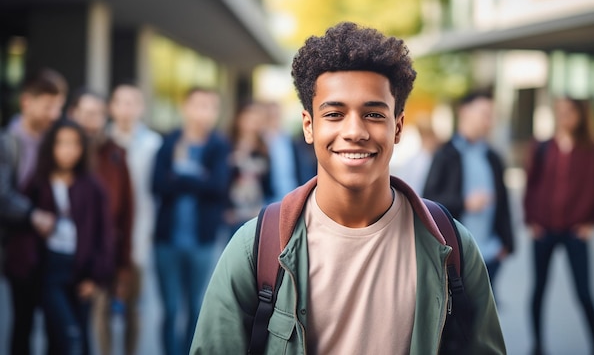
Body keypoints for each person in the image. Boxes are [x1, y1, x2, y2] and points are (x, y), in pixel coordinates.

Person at [191, 22, 505, 354]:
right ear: (309, 126)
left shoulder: (451, 245)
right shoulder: (254, 249)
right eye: (335, 114)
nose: (354, 131)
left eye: (373, 113)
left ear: (397, 128)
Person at [524, 97, 594, 355]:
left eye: (569, 111)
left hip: (575, 233)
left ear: (581, 115)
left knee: (584, 294)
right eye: (559, 111)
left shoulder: (593, 151)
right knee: (538, 291)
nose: (563, 116)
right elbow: (530, 185)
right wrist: (531, 220)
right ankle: (538, 345)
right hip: (543, 231)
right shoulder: (543, 147)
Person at [22, 119, 114, 355]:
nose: (68, 150)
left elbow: (104, 235)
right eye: (61, 143)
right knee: (65, 334)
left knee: (79, 337)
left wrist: (96, 276)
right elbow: (24, 231)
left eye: (74, 144)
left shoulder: (93, 187)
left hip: (82, 270)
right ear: (51, 147)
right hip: (50, 272)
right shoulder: (38, 183)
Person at [151, 87, 231, 355]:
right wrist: (200, 178)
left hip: (202, 241)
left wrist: (181, 176)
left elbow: (218, 187)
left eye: (210, 106)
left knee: (197, 307)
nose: (203, 112)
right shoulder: (170, 141)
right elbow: (158, 184)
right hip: (167, 241)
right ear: (185, 107)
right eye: (198, 105)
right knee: (171, 309)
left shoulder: (219, 146)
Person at [0, 68, 67, 355]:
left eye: (58, 107)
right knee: (22, 324)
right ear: (27, 102)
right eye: (48, 106)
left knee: (56, 326)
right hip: (19, 247)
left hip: (54, 248)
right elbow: (2, 195)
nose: (54, 114)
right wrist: (33, 216)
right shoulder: (7, 142)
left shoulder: (57, 140)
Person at [423, 91, 514, 290]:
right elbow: (429, 200)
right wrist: (465, 203)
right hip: (458, 254)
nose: (488, 120)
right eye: (484, 113)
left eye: (491, 115)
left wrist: (507, 244)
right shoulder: (445, 154)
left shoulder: (492, 157)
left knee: (487, 317)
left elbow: (504, 203)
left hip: (491, 253)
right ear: (464, 112)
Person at [67, 88, 134, 355]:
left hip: (100, 256)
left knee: (97, 329)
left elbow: (128, 212)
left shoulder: (115, 155)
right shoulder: (60, 152)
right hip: (62, 256)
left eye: (96, 114)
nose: (90, 120)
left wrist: (123, 264)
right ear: (72, 114)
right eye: (84, 113)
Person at [108, 82, 162, 354]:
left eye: (133, 103)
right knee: (102, 307)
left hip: (140, 232)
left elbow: (153, 196)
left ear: (141, 108)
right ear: (112, 107)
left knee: (133, 307)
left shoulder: (154, 144)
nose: (127, 109)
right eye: (121, 102)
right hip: (106, 237)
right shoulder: (102, 143)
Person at [225, 100, 273, 234]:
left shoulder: (264, 148)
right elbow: (223, 179)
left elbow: (268, 183)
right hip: (233, 213)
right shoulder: (228, 144)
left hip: (256, 211)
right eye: (248, 118)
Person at [261, 101, 299, 202]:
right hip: (268, 198)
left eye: (276, 115)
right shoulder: (260, 141)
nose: (274, 119)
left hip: (291, 195)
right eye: (270, 116)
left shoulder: (289, 140)